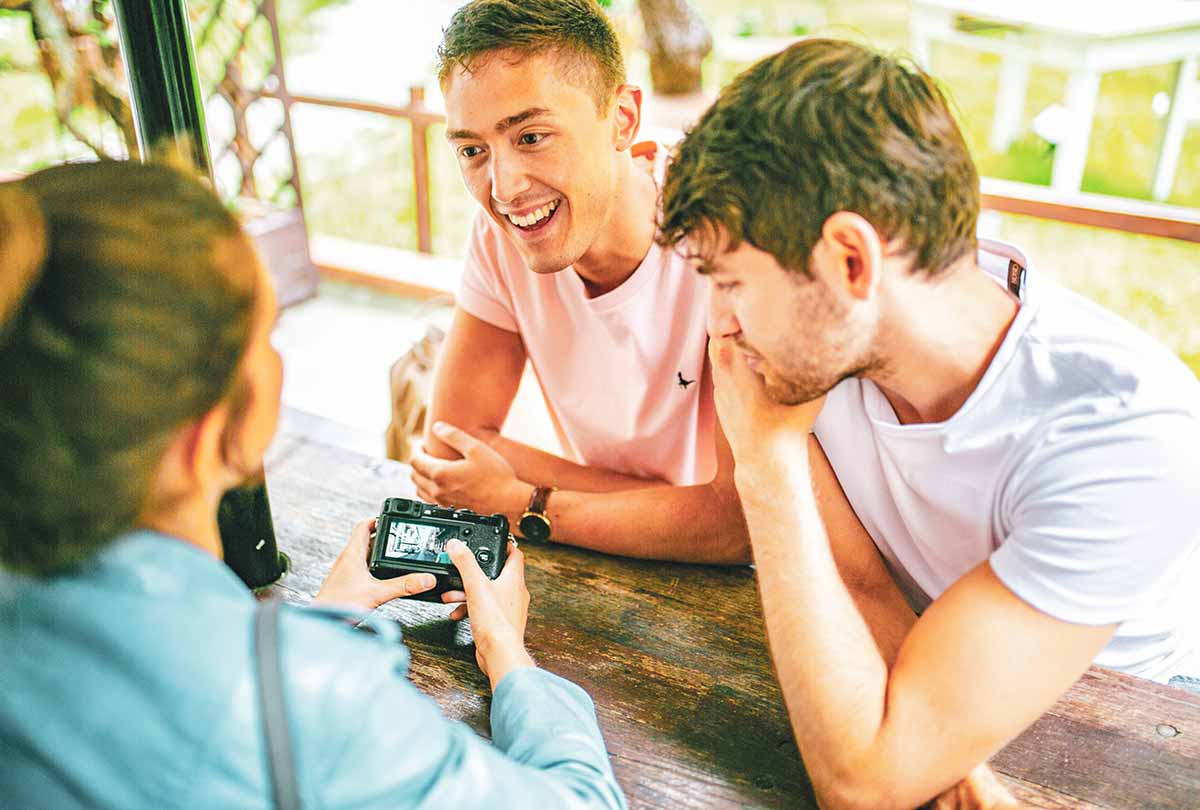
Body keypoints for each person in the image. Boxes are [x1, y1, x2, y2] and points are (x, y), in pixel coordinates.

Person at [659, 38, 1200, 809]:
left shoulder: (1128, 434)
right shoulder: (818, 349)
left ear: (851, 261)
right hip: (920, 668)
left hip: (1125, 731)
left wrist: (767, 460)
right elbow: (858, 584)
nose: (720, 325)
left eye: (731, 283)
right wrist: (921, 736)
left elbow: (861, 785)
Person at [0, 160, 626, 809]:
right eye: (266, 337)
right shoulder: (317, 704)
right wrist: (508, 656)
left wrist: (323, 623)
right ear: (211, 434)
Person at [407, 0, 748, 564]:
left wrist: (524, 501)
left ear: (623, 119)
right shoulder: (502, 235)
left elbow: (738, 524)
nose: (504, 189)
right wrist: (674, 509)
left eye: (531, 137)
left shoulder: (727, 230)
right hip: (609, 560)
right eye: (472, 150)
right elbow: (449, 448)